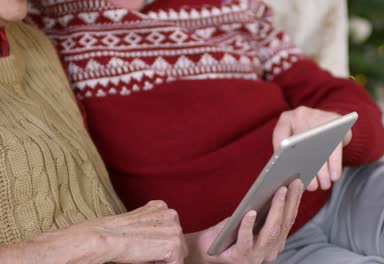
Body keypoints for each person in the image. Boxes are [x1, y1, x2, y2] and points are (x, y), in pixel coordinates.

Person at [28, 0, 384, 263]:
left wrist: (335, 127)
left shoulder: (233, 6)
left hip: (343, 191)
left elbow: (343, 98)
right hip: (244, 248)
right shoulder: (45, 30)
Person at [0, 1, 305, 263]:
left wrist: (197, 248)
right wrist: (94, 242)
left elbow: (99, 218)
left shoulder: (35, 46)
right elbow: (101, 241)